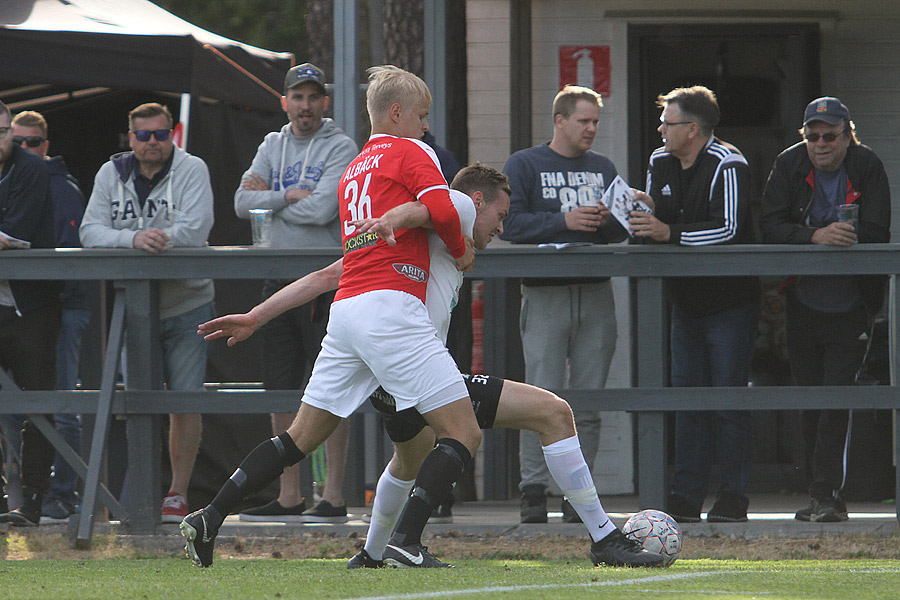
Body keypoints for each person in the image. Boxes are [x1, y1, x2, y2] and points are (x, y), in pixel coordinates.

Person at [198, 163, 665, 569]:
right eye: (500, 215)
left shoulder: (409, 241)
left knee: (398, 457)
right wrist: (395, 218)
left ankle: (352, 547)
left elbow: (326, 276)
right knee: (553, 412)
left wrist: (257, 316)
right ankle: (603, 537)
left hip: (382, 365)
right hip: (407, 361)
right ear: (474, 201)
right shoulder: (453, 210)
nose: (501, 226)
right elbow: (429, 209)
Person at [179, 64, 479, 569]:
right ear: (398, 112)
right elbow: (444, 208)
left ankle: (209, 517)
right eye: (423, 116)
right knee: (463, 431)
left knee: (298, 438)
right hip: (390, 308)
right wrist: (462, 251)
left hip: (347, 314)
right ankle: (405, 542)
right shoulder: (410, 152)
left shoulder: (355, 169)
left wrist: (256, 315)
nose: (427, 128)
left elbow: (332, 272)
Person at [79, 102, 216, 524]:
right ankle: (139, 492)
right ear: (131, 137)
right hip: (134, 307)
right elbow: (89, 232)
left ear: (172, 133)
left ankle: (176, 493)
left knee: (185, 402)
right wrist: (134, 239)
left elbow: (197, 229)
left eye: (160, 134)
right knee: (136, 401)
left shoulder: (192, 168)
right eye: (143, 136)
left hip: (187, 301)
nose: (152, 143)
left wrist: (158, 239)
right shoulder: (110, 173)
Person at [628, 86, 761, 523]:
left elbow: (729, 230)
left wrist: (669, 232)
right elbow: (657, 223)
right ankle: (685, 495)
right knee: (687, 401)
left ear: (693, 129)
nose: (661, 129)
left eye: (668, 122)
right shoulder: (658, 161)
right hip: (682, 302)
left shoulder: (729, 163)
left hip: (729, 303)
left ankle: (733, 497)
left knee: (727, 401)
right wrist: (641, 212)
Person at [234, 63, 358, 523]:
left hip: (324, 280)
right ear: (285, 101)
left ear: (324, 102)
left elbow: (326, 206)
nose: (305, 106)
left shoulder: (341, 145)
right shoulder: (272, 143)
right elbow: (240, 202)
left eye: (313, 97)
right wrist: (289, 196)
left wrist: (271, 197)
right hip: (276, 278)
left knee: (331, 388)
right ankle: (290, 495)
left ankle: (334, 495)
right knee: (280, 390)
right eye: (297, 97)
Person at [759, 97, 891, 522]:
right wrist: (816, 235)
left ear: (847, 136)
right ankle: (819, 493)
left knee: (836, 400)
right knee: (811, 400)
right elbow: (770, 225)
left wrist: (845, 235)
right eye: (812, 135)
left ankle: (827, 493)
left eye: (830, 136)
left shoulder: (867, 164)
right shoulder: (789, 164)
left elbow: (878, 228)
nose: (821, 143)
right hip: (801, 298)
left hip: (853, 302)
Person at [500, 85, 626, 523]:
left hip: (595, 292)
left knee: (588, 401)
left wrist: (616, 219)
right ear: (559, 120)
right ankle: (533, 489)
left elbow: (619, 232)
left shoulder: (604, 168)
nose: (591, 129)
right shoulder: (525, 164)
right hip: (545, 293)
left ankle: (578, 496)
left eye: (595, 122)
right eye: (583, 121)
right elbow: (508, 223)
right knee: (538, 397)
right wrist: (563, 221)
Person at [10, 110, 89, 521]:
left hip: (58, 308)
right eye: (16, 141)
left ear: (46, 145)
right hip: (17, 310)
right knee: (17, 407)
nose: (24, 149)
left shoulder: (62, 188)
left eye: (32, 142)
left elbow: (66, 248)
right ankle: (20, 498)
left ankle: (62, 496)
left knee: (58, 404)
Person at [0, 100, 63, 527]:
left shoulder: (32, 169)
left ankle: (33, 504)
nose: (3, 139)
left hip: (32, 306)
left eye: (4, 131)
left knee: (38, 405)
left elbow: (12, 235)